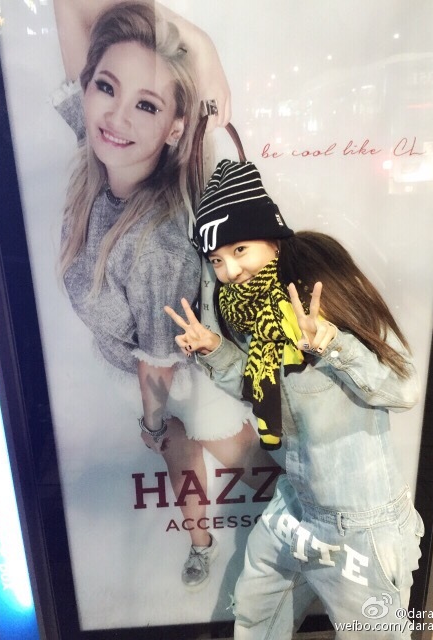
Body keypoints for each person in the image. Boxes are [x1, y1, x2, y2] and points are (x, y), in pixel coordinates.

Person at [53, 1, 280, 591]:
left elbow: (159, 361)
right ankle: (204, 542)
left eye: (147, 105)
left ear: (175, 127)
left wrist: (153, 424)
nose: (116, 116)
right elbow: (69, 3)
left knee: (226, 453)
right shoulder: (103, 150)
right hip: (146, 363)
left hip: (186, 372)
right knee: (185, 457)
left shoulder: (155, 243)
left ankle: (293, 522)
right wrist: (197, 38)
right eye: (106, 87)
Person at [165, 159, 424, 638]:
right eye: (216, 259)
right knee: (254, 614)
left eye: (239, 249)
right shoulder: (253, 312)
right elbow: (263, 392)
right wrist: (215, 349)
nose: (229, 270)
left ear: (271, 238)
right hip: (297, 505)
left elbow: (404, 389)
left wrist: (332, 343)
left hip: (357, 527)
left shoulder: (322, 294)